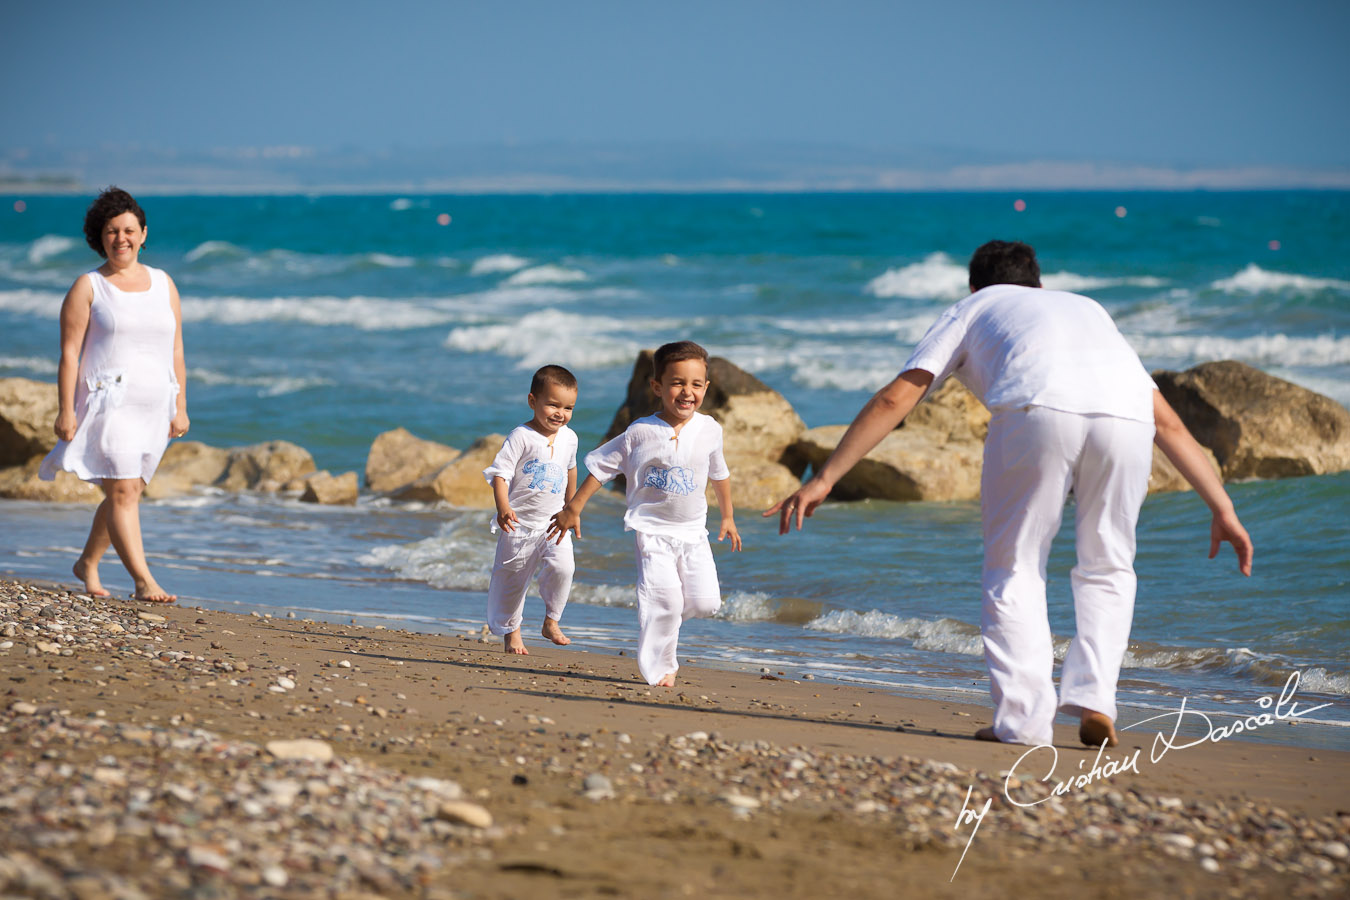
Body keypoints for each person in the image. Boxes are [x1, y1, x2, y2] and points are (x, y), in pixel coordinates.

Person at [766, 241, 1253, 748]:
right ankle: (1096, 701)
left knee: (1015, 565)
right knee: (1109, 565)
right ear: (1039, 284)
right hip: (1128, 422)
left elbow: (898, 397)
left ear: (976, 285)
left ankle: (1022, 722)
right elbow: (1168, 421)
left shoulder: (973, 307)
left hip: (1035, 409)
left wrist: (824, 478)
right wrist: (1224, 506)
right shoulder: (1088, 308)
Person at [548, 341, 741, 687]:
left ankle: (660, 615)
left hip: (694, 533)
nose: (687, 392)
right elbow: (602, 469)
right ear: (657, 387)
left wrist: (727, 517)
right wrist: (573, 507)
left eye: (696, 384)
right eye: (677, 383)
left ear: (706, 388)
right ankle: (660, 666)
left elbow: (719, 474)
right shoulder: (640, 431)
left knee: (706, 602)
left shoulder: (710, 429)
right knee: (665, 600)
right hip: (651, 530)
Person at [40, 187, 189, 604]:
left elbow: (176, 348)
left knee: (127, 492)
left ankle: (87, 561)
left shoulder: (164, 283)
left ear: (143, 233)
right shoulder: (89, 287)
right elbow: (69, 354)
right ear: (99, 237)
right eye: (110, 231)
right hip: (109, 404)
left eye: (128, 230)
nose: (120, 238)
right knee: (123, 493)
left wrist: (181, 406)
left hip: (155, 405)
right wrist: (65, 411)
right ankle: (144, 582)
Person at [482, 365, 580, 654]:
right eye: (553, 404)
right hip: (519, 524)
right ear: (532, 401)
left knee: (564, 568)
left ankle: (551, 620)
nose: (560, 413)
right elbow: (501, 474)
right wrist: (503, 508)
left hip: (554, 524)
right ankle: (512, 633)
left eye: (568, 407)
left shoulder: (569, 437)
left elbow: (571, 470)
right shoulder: (521, 436)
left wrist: (572, 508)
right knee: (512, 580)